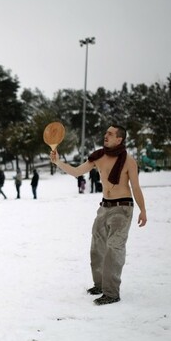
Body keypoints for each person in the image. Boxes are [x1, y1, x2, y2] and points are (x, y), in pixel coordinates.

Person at [50, 125, 147, 305]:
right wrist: (58, 162)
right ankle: (100, 285)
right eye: (106, 133)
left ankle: (111, 293)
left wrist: (143, 210)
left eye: (110, 134)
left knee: (114, 248)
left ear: (119, 139)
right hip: (104, 207)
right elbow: (77, 172)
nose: (106, 136)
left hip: (123, 207)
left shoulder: (129, 161)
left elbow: (136, 187)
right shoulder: (99, 157)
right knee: (97, 246)